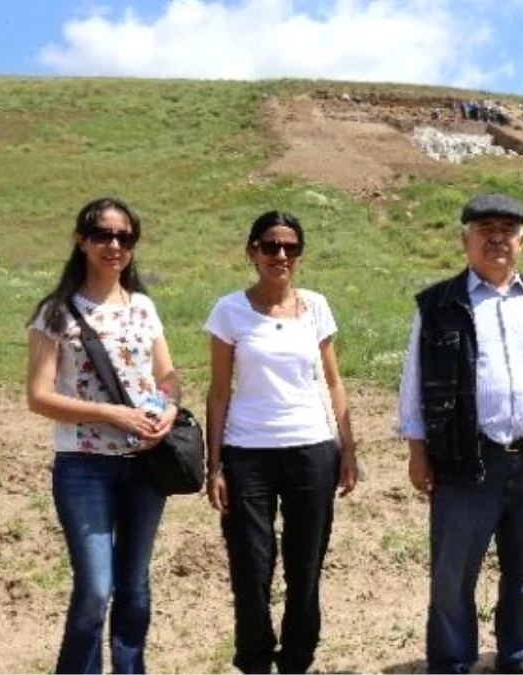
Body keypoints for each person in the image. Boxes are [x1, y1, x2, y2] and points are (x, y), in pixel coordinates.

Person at [397, 193, 523, 675]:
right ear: (465, 239)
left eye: (508, 230)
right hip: (465, 459)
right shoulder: (438, 304)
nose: (497, 238)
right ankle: (453, 660)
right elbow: (414, 381)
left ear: (522, 240)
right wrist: (418, 450)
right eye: (485, 229)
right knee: (454, 573)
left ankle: (518, 652)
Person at [26, 197, 181, 675]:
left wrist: (167, 413)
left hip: (144, 463)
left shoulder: (143, 307)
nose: (114, 245)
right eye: (103, 235)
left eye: (125, 237)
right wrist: (110, 413)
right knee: (96, 587)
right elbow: (38, 396)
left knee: (133, 584)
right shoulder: (55, 312)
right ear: (81, 241)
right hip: (84, 466)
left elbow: (167, 377)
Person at [204, 210, 359, 675]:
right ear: (252, 252)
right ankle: (254, 662)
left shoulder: (316, 306)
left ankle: (296, 660)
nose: (280, 255)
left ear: (300, 255)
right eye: (270, 246)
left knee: (305, 565)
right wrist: (214, 466)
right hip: (247, 452)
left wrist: (347, 449)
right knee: (251, 568)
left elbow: (334, 382)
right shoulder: (229, 310)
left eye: (290, 247)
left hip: (312, 449)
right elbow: (218, 391)